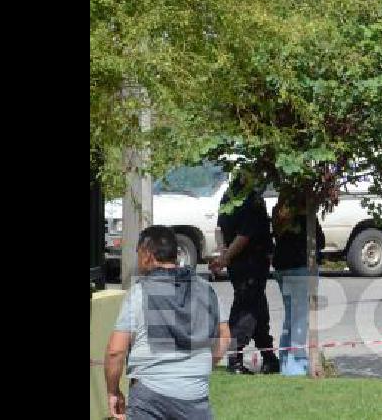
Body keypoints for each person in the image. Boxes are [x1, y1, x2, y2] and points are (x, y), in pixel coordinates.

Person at [106, 226, 230, 420]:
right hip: (195, 396)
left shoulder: (140, 292)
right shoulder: (206, 290)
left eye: (137, 252)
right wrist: (201, 366)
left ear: (147, 254)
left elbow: (116, 351)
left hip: (149, 397)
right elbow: (224, 336)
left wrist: (113, 391)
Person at [208, 173, 278, 374]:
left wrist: (224, 255)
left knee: (257, 306)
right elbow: (244, 236)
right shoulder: (252, 200)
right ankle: (235, 358)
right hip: (251, 262)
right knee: (245, 308)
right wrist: (225, 257)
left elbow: (220, 229)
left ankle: (269, 356)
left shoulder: (228, 196)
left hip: (237, 263)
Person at [270, 188, 326, 376]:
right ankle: (297, 364)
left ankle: (285, 363)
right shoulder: (306, 217)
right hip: (301, 268)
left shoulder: (279, 213)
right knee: (301, 318)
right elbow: (320, 241)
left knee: (290, 317)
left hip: (282, 268)